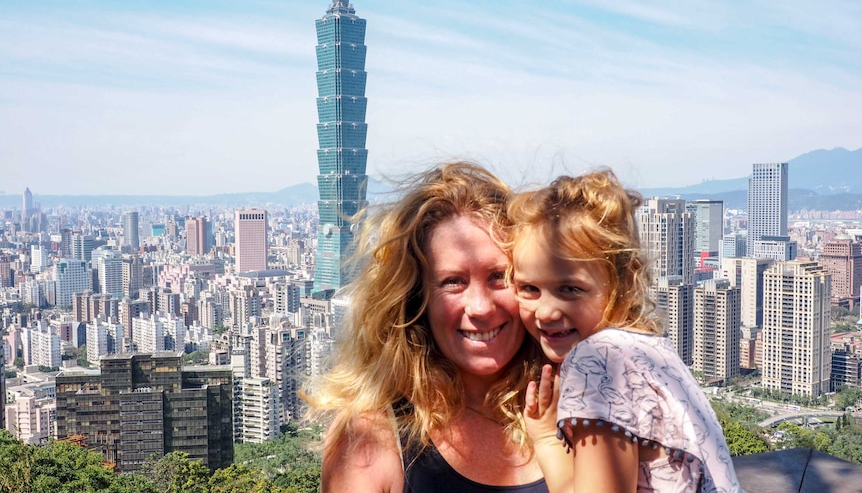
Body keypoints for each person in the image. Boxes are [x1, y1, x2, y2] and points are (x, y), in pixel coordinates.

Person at [303, 162, 548, 492]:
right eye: (453, 282)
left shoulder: (576, 404)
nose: (480, 307)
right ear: (417, 298)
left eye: (498, 277)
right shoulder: (372, 439)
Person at [504, 169, 741, 493]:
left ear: (626, 283)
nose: (546, 311)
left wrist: (546, 440)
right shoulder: (652, 351)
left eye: (571, 289)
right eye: (529, 288)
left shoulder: (598, 361)